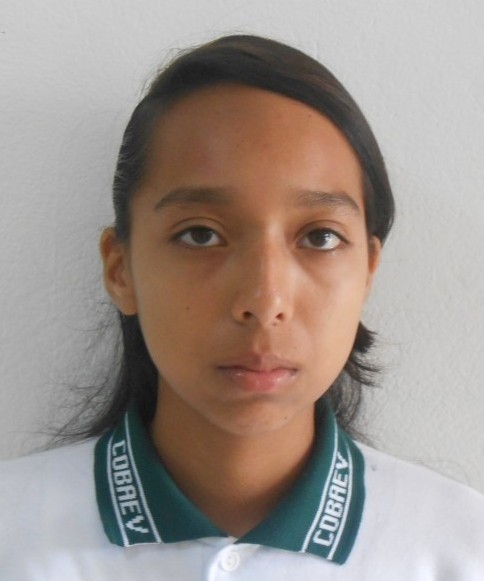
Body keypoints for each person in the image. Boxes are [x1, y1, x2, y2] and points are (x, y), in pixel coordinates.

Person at [1, 34, 483, 580]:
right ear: (120, 269)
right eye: (201, 235)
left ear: (368, 271)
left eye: (320, 237)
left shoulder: (461, 550)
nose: (265, 301)